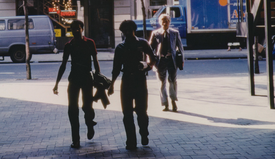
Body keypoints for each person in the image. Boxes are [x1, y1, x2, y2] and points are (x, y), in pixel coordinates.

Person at [108, 20, 156, 150]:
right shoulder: (120, 48)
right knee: (127, 113)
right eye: (124, 31)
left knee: (142, 111)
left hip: (140, 80)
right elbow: (116, 68)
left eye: (129, 30)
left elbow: (153, 58)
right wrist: (111, 84)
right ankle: (131, 140)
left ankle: (144, 132)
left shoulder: (143, 43)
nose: (127, 33)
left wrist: (147, 67)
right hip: (126, 81)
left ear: (134, 30)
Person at [53, 20, 101, 149]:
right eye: (73, 29)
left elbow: (95, 62)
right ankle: (76, 139)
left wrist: (98, 78)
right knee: (72, 110)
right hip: (74, 79)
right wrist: (57, 83)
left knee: (87, 107)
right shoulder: (69, 45)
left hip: (86, 78)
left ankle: (89, 123)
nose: (75, 31)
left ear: (82, 29)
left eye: (77, 29)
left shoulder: (90, 43)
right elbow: (63, 64)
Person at [149, 14, 184, 112]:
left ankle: (173, 100)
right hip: (160, 61)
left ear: (170, 22)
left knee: (172, 81)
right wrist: (151, 60)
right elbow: (150, 48)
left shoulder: (175, 33)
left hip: (172, 61)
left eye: (167, 21)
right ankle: (165, 103)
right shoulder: (155, 33)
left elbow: (180, 48)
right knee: (161, 82)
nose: (165, 23)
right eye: (163, 21)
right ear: (160, 22)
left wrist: (181, 60)